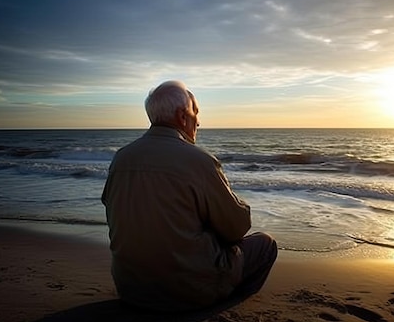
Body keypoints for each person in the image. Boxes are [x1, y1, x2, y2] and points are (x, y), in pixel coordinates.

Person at [101, 80, 277, 311]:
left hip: (131, 289)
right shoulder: (199, 160)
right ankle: (227, 304)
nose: (199, 121)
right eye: (196, 112)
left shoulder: (121, 158)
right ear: (182, 117)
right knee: (266, 244)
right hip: (187, 292)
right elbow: (237, 228)